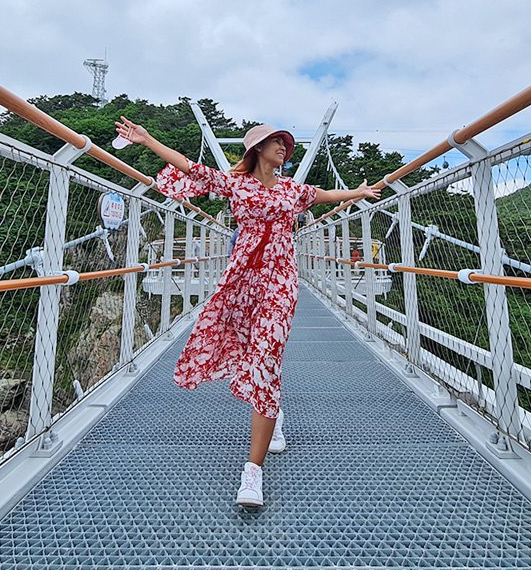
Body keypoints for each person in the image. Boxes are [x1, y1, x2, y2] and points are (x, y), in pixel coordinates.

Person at [114, 116, 380, 507]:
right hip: (241, 281)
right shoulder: (236, 183)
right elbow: (190, 167)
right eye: (276, 142)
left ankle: (252, 472)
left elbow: (322, 194)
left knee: (267, 359)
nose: (284, 149)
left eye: (286, 145)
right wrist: (148, 137)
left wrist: (356, 193)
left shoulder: (293, 190)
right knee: (243, 350)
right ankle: (272, 415)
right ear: (257, 150)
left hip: (279, 283)